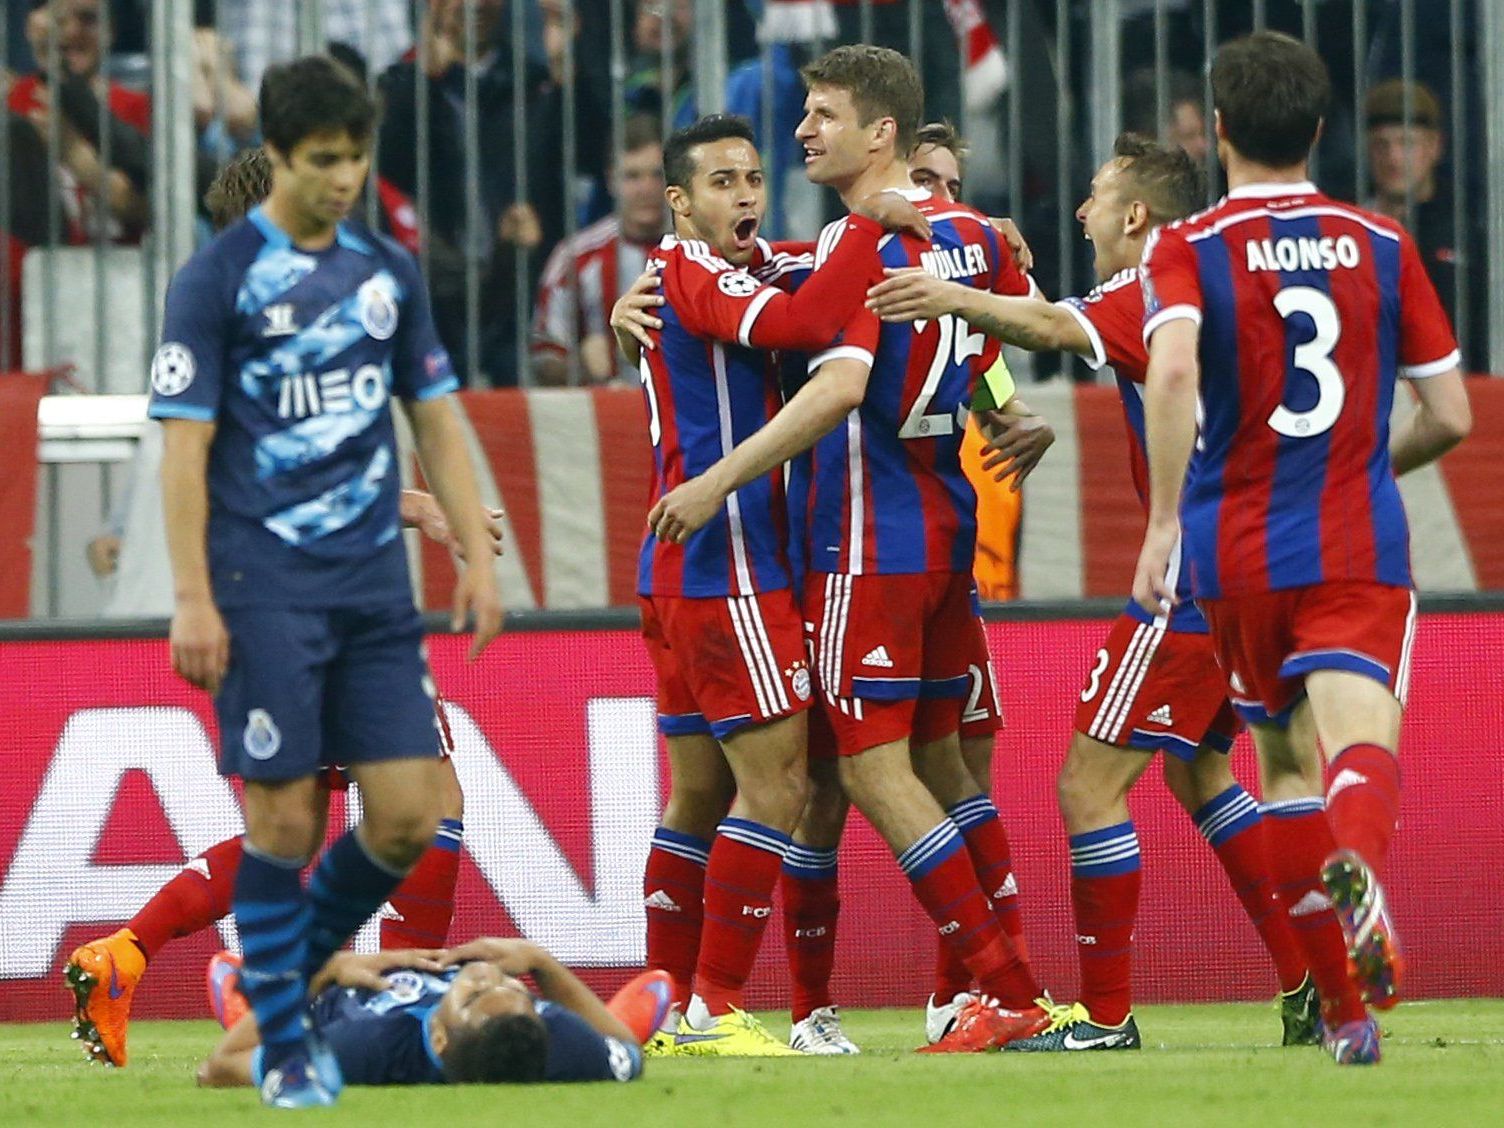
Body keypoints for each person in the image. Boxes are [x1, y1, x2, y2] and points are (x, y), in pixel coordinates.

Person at [869, 131, 1327, 1052]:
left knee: (1087, 785)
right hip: (1274, 560)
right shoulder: (1226, 278)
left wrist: (946, 287)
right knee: (1200, 771)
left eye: (1093, 197)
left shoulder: (1154, 285)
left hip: (1196, 574)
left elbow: (1042, 326)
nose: (1081, 215)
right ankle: (1307, 977)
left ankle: (1108, 1019)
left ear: (1135, 215)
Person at [646, 45, 1053, 1054]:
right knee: (905, 772)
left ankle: (989, 991)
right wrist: (1007, 409)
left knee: (847, 777)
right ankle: (855, 1004)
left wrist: (714, 480)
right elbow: (999, 329)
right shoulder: (969, 236)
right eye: (729, 180)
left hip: (856, 545)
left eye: (821, 115)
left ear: (881, 135)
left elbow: (833, 378)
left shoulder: (851, 246)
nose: (800, 133)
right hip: (944, 538)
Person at [148, 55, 502, 1106]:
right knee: (284, 829)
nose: (343, 179)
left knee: (410, 815)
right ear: (278, 155)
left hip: (373, 594)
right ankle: (288, 1044)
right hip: (265, 589)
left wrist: (475, 549)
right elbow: (184, 451)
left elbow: (434, 415)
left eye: (355, 158)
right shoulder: (212, 284)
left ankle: (273, 986)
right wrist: (194, 596)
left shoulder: (383, 274)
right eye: (322, 160)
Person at [1133, 31, 1470, 1066]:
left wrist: (1161, 523)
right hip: (1353, 537)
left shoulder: (1185, 245)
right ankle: (1357, 863)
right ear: (1320, 130)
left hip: (1234, 549)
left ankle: (1345, 1016)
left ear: (1220, 128)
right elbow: (1450, 414)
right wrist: (1362, 462)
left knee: (1281, 768)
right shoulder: (1380, 242)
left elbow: (1173, 371)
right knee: (1359, 744)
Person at [632, 112, 929, 1056]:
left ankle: (664, 1006)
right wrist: (875, 221)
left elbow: (807, 265)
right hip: (730, 563)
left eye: (754, 179)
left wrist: (957, 226)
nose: (747, 195)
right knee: (783, 788)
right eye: (722, 182)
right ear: (679, 202)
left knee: (698, 796)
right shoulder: (694, 273)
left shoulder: (718, 268)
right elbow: (804, 321)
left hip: (678, 571)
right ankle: (719, 1007)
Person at [377, 0, 563, 383]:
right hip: (435, 289)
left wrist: (568, 75)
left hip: (517, 284)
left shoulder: (533, 83)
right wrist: (424, 80)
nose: (474, 4)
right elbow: (389, 170)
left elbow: (584, 158)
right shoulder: (403, 84)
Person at [197, 939, 668, 1087]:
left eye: (473, 996)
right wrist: (539, 962)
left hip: (331, 1004)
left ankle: (247, 1011)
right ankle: (608, 1013)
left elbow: (216, 1069)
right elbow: (628, 1052)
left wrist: (324, 972)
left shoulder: (362, 1049)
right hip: (564, 1031)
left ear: (439, 1039)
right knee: (611, 1033)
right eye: (513, 989)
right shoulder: (556, 1041)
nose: (484, 974)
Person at [531, 114, 664, 386]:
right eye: (632, 176)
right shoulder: (575, 257)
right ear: (611, 181)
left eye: (657, 175)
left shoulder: (705, 251)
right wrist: (583, 369)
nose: (646, 188)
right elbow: (544, 353)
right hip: (609, 409)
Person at [1363, 79, 1487, 370]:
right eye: (1381, 144)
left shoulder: (1468, 231)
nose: (1393, 158)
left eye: (1406, 143)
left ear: (1434, 146)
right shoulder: (1347, 224)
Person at [8, 0, 150, 244]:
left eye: (88, 19)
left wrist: (74, 154)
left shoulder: (139, 109)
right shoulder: (10, 105)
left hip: (122, 266)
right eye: (59, 19)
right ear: (33, 28)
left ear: (110, 31)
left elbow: (154, 212)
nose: (72, 31)